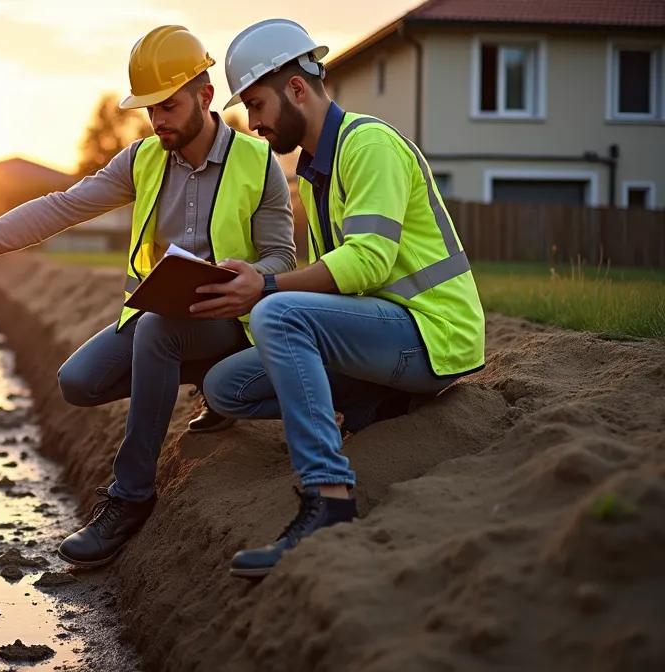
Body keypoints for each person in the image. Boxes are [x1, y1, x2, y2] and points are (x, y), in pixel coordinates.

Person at [0, 25, 297, 567]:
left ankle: (130, 498)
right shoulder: (143, 159)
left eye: (168, 106)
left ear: (205, 97)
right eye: (149, 109)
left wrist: (248, 276)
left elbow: (282, 260)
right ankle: (202, 379)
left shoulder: (260, 164)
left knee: (159, 332)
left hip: (230, 320)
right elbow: (59, 208)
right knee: (78, 382)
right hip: (164, 313)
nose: (157, 120)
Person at [191, 19, 487, 578]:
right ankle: (375, 406)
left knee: (277, 309)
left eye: (256, 105)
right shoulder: (313, 173)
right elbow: (336, 277)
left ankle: (328, 498)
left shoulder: (368, 145)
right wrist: (253, 281)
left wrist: (267, 287)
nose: (252, 124)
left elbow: (369, 261)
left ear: (296, 89)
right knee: (225, 387)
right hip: (386, 338)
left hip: (432, 334)